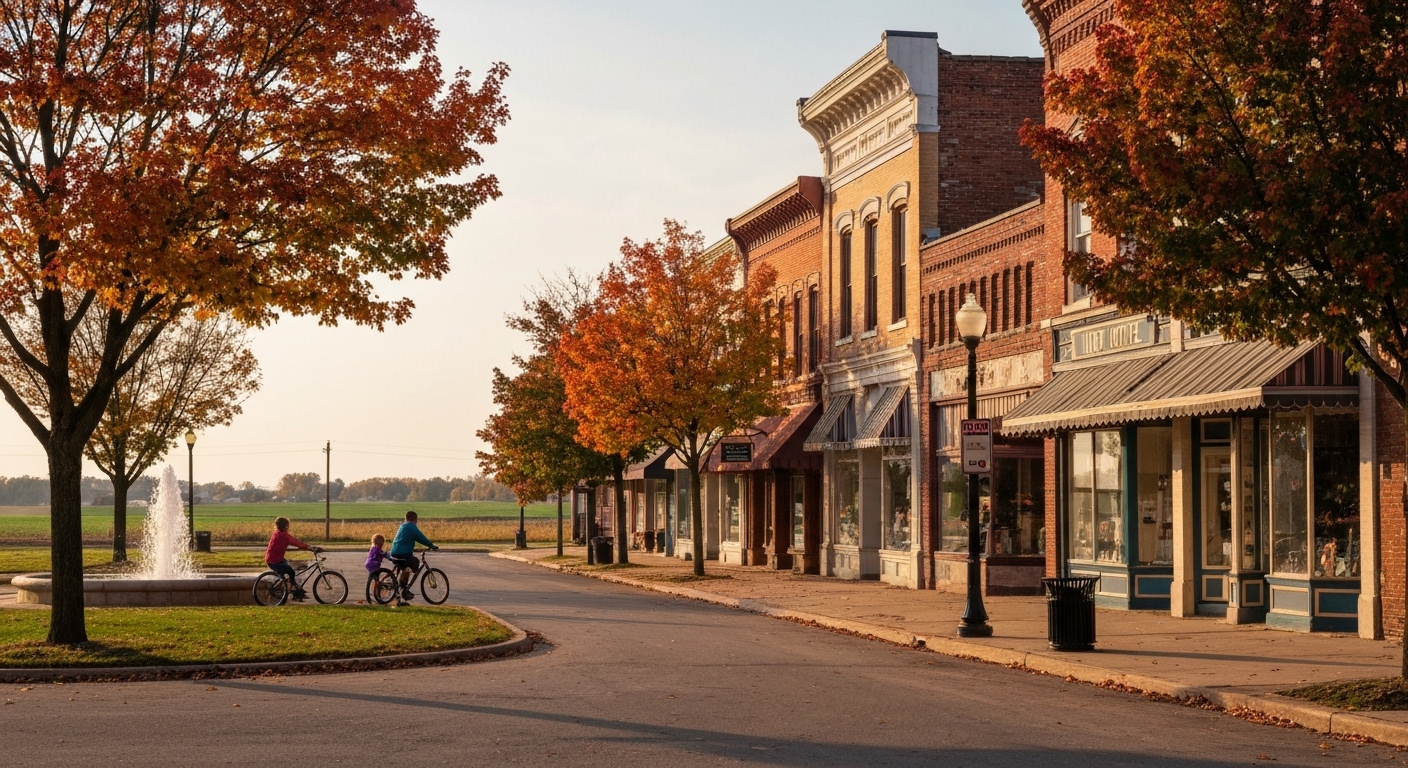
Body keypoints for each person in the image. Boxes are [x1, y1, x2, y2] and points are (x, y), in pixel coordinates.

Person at [265, 517, 320, 601]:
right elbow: (297, 542)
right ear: (285, 526)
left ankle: (294, 591)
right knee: (291, 572)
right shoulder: (283, 535)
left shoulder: (277, 533)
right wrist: (310, 548)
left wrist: (308, 547)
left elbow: (295, 542)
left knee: (289, 571)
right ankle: (294, 593)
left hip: (274, 559)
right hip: (274, 561)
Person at [389, 510, 437, 606]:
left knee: (404, 567)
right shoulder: (411, 526)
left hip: (394, 553)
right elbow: (420, 537)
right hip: (403, 554)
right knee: (414, 562)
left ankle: (399, 598)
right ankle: (403, 589)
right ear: (415, 519)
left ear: (405, 518)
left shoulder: (402, 526)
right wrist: (431, 545)